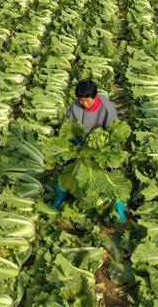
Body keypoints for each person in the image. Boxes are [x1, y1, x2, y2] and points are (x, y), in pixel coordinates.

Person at [53, 80, 126, 222]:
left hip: (102, 150)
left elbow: (114, 133)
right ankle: (60, 196)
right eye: (81, 100)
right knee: (65, 170)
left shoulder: (107, 108)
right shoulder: (75, 107)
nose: (84, 104)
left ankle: (119, 207)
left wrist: (105, 151)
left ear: (96, 96)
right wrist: (75, 142)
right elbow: (66, 127)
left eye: (87, 100)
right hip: (81, 147)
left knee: (113, 176)